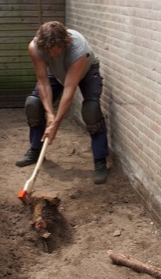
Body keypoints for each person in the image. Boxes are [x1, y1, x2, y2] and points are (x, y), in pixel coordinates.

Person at [15, 21, 109, 184]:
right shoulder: (35, 48)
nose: (51, 54)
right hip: (56, 73)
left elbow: (69, 89)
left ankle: (100, 161)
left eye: (55, 49)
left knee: (91, 110)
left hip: (86, 71)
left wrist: (56, 123)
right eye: (48, 50)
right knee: (33, 104)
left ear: (65, 43)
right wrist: (50, 114)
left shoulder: (78, 48)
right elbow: (43, 82)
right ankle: (36, 150)